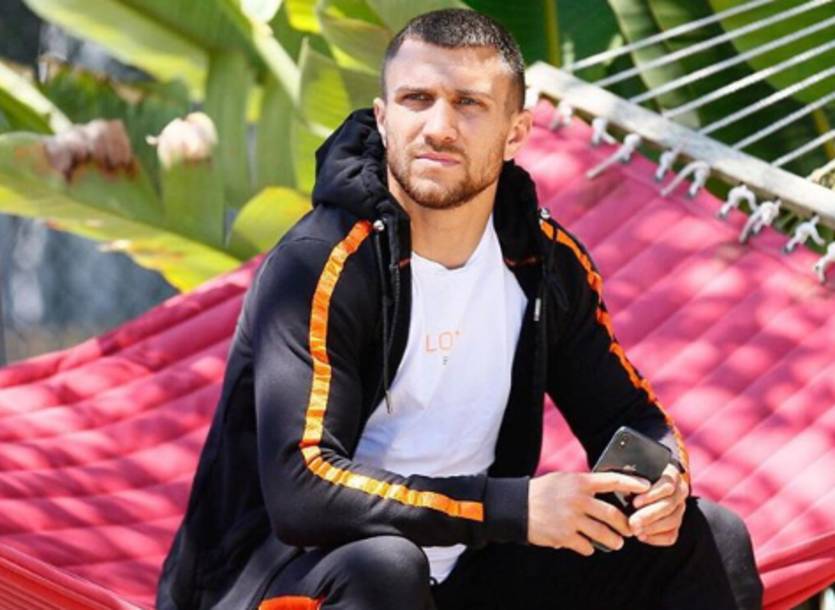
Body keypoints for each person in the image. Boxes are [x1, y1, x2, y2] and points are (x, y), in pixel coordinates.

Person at [156, 9, 764, 610]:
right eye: (416, 99)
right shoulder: (320, 264)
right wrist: (513, 509)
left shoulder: (544, 263)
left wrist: (663, 481)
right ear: (383, 118)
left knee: (709, 538)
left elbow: (626, 414)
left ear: (516, 133)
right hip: (278, 579)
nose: (438, 127)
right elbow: (302, 491)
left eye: (468, 103)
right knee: (386, 567)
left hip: (466, 569)